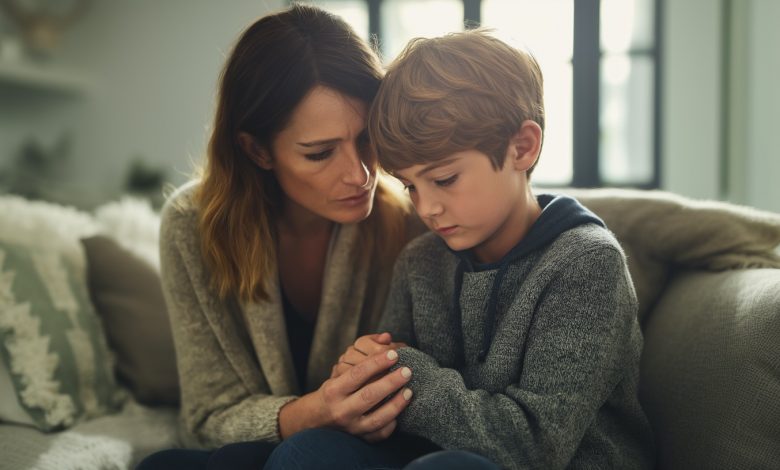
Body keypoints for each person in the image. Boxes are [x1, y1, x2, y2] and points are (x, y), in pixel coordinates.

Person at [266, 30, 656, 469]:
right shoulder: (421, 261)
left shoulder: (586, 263)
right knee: (304, 452)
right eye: (410, 186)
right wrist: (364, 381)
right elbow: (392, 402)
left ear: (522, 147)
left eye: (445, 179)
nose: (427, 208)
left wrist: (406, 372)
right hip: (426, 457)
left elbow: (536, 446)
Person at [137, 5, 428, 469]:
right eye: (320, 153)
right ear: (257, 150)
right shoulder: (192, 227)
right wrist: (316, 412)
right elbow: (207, 415)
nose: (360, 175)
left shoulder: (412, 223)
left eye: (367, 138)